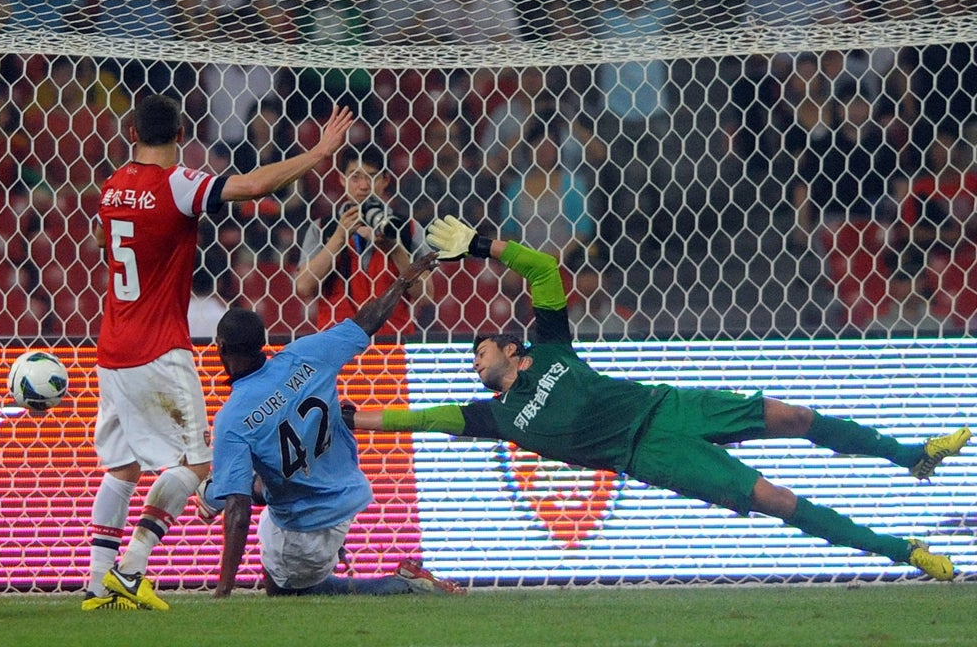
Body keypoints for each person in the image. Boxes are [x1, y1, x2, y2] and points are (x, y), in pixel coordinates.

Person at [347, 215, 971, 582]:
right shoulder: (493, 416)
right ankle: (906, 551)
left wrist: (483, 246)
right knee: (777, 500)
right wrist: (352, 415)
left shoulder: (552, 348)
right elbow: (419, 417)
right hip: (652, 455)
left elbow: (543, 270)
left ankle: (911, 454)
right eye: (471, 356)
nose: (473, 356)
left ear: (514, 349)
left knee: (795, 415)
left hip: (668, 404)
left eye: (481, 348)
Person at [82, 93, 353, 611]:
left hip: (111, 346)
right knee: (199, 465)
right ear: (181, 134)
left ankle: (98, 582)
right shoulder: (178, 182)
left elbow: (106, 242)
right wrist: (318, 153)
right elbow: (252, 186)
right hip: (158, 347)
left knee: (121, 468)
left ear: (132, 135)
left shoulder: (113, 187)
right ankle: (132, 568)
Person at [200, 252, 464, 596]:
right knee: (256, 490)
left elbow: (238, 510)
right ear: (261, 341)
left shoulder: (232, 419)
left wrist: (223, 589)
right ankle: (218, 489)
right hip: (346, 495)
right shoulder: (307, 352)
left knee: (288, 592)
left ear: (220, 347)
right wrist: (402, 280)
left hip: (306, 523)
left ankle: (403, 586)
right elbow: (367, 320)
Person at [294, 143, 433, 337]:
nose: (364, 185)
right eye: (355, 177)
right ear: (342, 179)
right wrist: (339, 238)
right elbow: (303, 286)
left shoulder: (407, 227)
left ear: (386, 180)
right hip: (335, 345)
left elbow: (425, 295)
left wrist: (395, 249)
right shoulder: (322, 227)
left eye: (372, 176)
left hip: (391, 344)